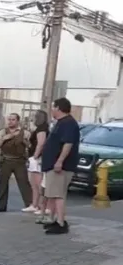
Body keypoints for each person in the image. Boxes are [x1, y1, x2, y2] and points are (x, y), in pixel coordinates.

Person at [40, 97, 80, 234]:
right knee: (53, 194)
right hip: (52, 165)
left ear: (58, 108)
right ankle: (55, 219)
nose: (51, 109)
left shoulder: (68, 123)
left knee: (58, 195)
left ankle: (61, 223)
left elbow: (68, 143)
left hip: (60, 167)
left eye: (53, 107)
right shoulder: (60, 122)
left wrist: (59, 161)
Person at [0, 113, 32, 212]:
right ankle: (2, 206)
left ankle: (30, 204)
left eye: (13, 119)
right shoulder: (3, 132)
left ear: (18, 121)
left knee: (24, 184)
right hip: (6, 161)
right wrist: (5, 138)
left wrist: (23, 140)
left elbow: (30, 146)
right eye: (9, 119)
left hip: (19, 161)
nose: (10, 121)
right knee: (3, 184)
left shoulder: (25, 133)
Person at [26, 110, 50, 214]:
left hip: (37, 158)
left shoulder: (42, 128)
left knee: (39, 184)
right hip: (34, 157)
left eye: (34, 116)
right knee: (33, 184)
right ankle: (34, 205)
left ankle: (42, 206)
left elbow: (41, 143)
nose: (32, 118)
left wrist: (35, 156)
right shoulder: (39, 128)